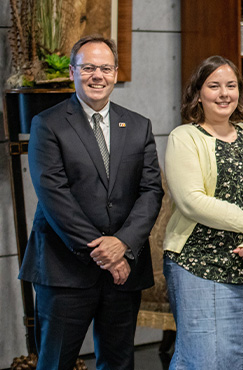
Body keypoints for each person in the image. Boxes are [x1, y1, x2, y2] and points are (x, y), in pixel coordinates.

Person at [19, 35, 164, 369]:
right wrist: (105, 253)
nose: (97, 75)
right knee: (56, 362)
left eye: (105, 68)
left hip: (124, 269)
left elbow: (151, 191)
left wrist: (123, 245)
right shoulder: (47, 124)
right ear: (72, 72)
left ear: (115, 73)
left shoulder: (138, 125)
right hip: (64, 269)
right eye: (88, 68)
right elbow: (54, 195)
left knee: (118, 362)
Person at [163, 55, 243, 369]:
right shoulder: (185, 137)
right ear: (198, 94)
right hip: (199, 264)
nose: (224, 94)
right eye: (214, 86)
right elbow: (191, 200)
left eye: (231, 86)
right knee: (205, 360)